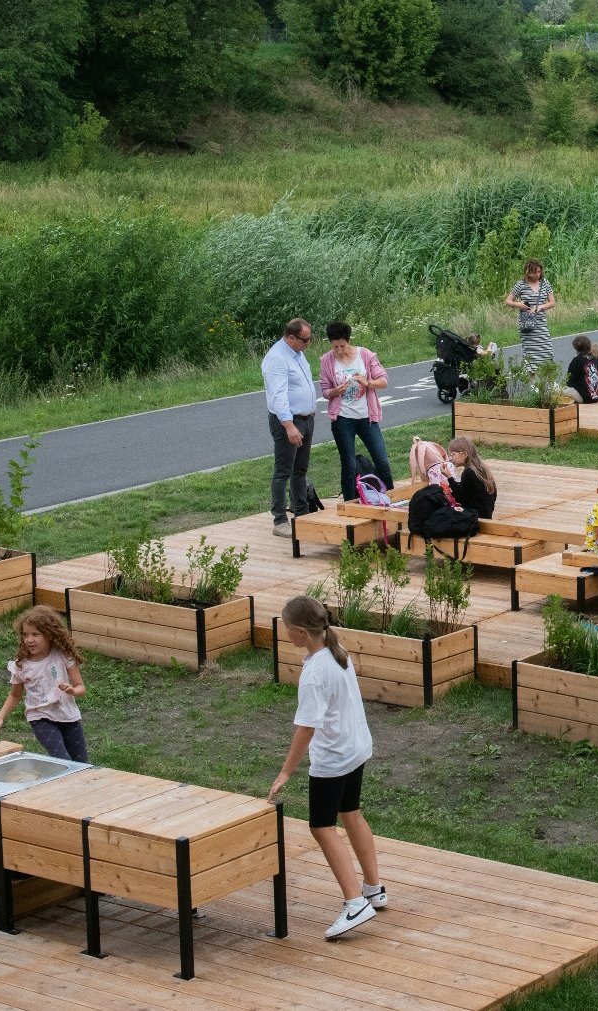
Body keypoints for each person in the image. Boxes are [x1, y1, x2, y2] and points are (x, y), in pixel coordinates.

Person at [267, 595, 387, 941]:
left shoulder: (315, 673)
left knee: (322, 827)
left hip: (334, 759)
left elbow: (306, 728)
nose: (285, 633)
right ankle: (373, 889)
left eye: (287, 628)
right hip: (356, 748)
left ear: (301, 632)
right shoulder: (337, 650)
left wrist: (286, 772)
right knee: (350, 811)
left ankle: (355, 903)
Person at [0, 605, 88, 761]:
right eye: (25, 635)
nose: (29, 640)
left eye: (35, 634)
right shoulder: (21, 665)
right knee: (63, 761)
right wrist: (0, 717)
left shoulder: (62, 656)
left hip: (68, 716)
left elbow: (81, 687)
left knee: (82, 764)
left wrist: (72, 690)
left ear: (49, 635)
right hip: (40, 717)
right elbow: (14, 695)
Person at [319, 321, 394, 505]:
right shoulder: (327, 360)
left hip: (366, 417)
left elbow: (383, 380)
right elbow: (325, 391)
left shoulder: (365, 355)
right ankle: (350, 503)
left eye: (342, 346)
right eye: (335, 347)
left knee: (381, 460)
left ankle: (392, 497)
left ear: (348, 341)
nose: (339, 351)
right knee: (349, 464)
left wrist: (368, 383)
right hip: (343, 418)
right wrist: (337, 390)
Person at [263, 318, 318, 537]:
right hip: (289, 421)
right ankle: (279, 520)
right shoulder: (277, 359)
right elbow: (278, 396)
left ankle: (302, 513)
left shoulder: (298, 353)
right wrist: (288, 426)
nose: (308, 343)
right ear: (291, 337)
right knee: (283, 471)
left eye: (310, 338)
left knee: (300, 469)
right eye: (305, 340)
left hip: (306, 418)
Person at [505, 260, 556, 367]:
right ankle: (532, 382)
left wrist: (541, 306)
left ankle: (547, 379)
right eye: (535, 272)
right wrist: (518, 304)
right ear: (528, 271)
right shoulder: (520, 284)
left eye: (539, 272)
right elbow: (508, 301)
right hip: (527, 324)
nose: (538, 275)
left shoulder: (545, 283)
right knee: (530, 356)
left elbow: (552, 302)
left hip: (541, 323)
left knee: (547, 351)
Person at [445, 436, 497, 519]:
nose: (450, 459)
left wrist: (449, 477)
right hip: (486, 514)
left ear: (464, 454)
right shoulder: (481, 467)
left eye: (453, 454)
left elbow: (460, 498)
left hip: (476, 517)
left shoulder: (469, 472)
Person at [565, 335, 598, 404]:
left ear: (576, 348)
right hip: (597, 396)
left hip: (586, 398)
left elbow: (569, 381)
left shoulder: (576, 361)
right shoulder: (595, 360)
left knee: (559, 389)